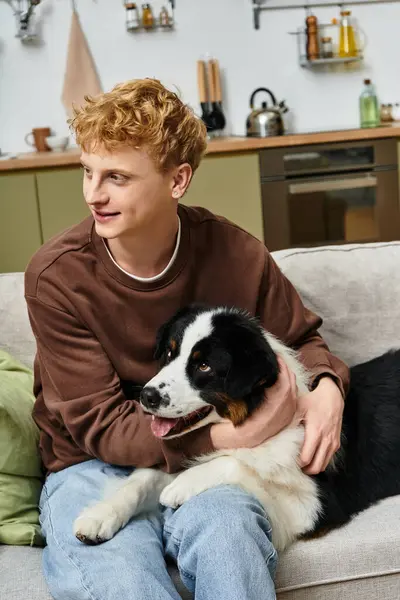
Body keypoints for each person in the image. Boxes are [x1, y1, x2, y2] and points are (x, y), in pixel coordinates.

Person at [25, 78, 349, 600]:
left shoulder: (236, 252)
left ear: (177, 180)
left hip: (214, 467)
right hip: (92, 464)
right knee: (122, 579)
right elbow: (99, 424)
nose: (93, 194)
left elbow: (304, 340)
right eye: (87, 171)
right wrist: (228, 439)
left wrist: (330, 388)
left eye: (117, 177)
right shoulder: (56, 277)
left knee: (229, 538)